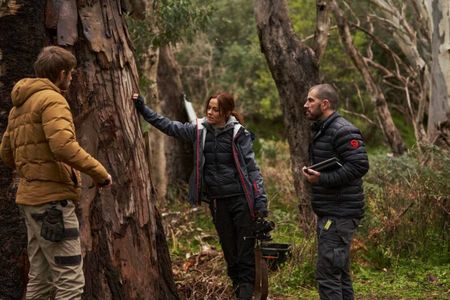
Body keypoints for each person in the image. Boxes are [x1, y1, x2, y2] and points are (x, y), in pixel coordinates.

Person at [0, 46, 112, 299]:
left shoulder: (20, 106)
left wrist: (33, 166)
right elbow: (62, 146)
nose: (71, 79)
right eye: (70, 74)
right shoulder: (52, 100)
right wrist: (100, 172)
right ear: (62, 74)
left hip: (30, 201)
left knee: (40, 280)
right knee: (70, 281)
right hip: (52, 205)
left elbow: (6, 154)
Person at [132, 92, 268, 300]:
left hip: (241, 200)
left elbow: (252, 169)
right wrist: (142, 108)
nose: (211, 113)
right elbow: (169, 126)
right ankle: (238, 286)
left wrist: (261, 201)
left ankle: (246, 291)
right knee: (229, 250)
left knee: (245, 251)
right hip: (217, 201)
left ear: (227, 112)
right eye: (209, 108)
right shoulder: (199, 130)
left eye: (216, 109)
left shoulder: (239, 134)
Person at [302, 84, 369, 300]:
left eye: (310, 100)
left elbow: (359, 166)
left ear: (325, 104)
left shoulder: (343, 130)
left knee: (328, 274)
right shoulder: (322, 129)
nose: (306, 104)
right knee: (338, 273)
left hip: (339, 214)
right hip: (331, 211)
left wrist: (322, 178)